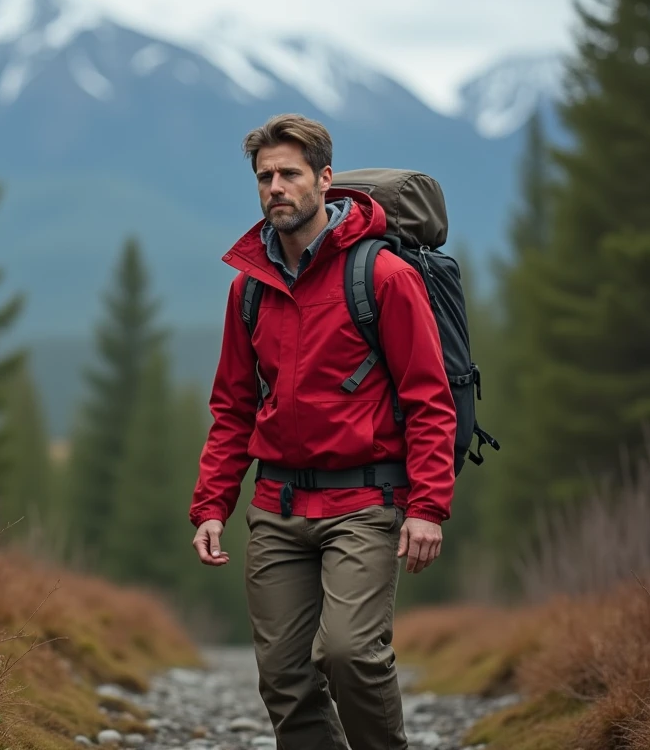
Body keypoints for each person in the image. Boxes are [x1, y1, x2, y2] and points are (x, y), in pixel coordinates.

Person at [188, 113, 458, 749]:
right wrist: (211, 505)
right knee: (284, 676)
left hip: (364, 502)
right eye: (265, 177)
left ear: (325, 181)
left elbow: (428, 398)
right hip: (276, 506)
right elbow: (232, 406)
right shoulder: (248, 289)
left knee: (349, 654)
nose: (275, 187)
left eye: (289, 174)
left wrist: (428, 508)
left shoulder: (383, 277)